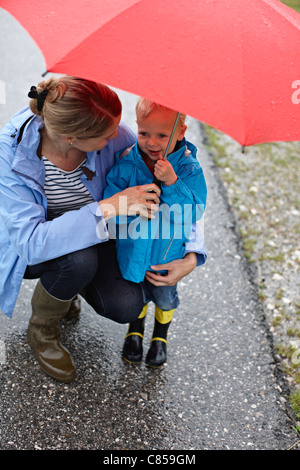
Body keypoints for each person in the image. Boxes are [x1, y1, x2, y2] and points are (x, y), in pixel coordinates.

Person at [0, 76, 205, 382]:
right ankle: (43, 330)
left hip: (96, 236)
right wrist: (110, 206)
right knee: (76, 261)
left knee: (127, 304)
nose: (123, 137)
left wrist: (192, 255)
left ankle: (66, 291)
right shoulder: (12, 154)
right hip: (30, 247)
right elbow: (31, 242)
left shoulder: (115, 135)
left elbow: (188, 202)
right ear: (72, 137)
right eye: (107, 135)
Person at [104, 98, 207, 367]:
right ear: (136, 127)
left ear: (180, 132)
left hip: (166, 254)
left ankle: (160, 337)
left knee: (163, 297)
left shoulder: (188, 169)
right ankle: (134, 331)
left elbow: (194, 212)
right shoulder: (127, 162)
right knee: (135, 293)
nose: (152, 142)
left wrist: (172, 183)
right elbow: (110, 201)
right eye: (144, 133)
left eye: (162, 135)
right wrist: (130, 205)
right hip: (133, 250)